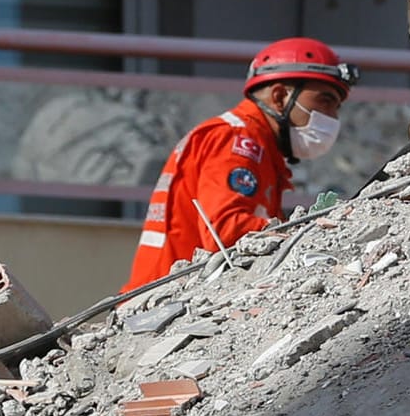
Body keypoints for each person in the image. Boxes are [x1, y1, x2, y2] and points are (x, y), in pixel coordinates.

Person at [124, 37, 358, 291]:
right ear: (280, 96)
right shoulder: (237, 140)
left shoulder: (255, 146)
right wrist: (302, 234)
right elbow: (224, 231)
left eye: (336, 107)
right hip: (163, 305)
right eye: (325, 101)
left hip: (165, 300)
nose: (332, 117)